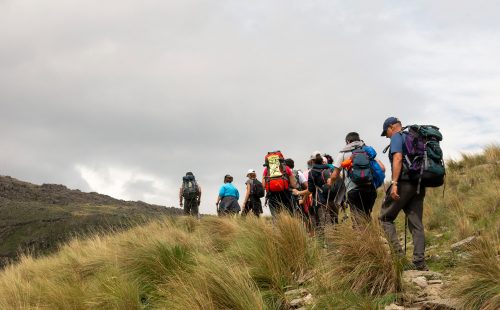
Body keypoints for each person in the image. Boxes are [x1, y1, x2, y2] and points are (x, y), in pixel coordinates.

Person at [379, 117, 428, 271]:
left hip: (404, 182)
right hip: (419, 184)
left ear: (392, 127)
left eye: (386, 132)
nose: (387, 136)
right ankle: (419, 262)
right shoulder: (415, 138)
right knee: (416, 224)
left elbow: (398, 158)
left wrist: (394, 183)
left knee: (385, 218)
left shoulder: (397, 137)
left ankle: (400, 259)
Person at [327, 132, 385, 225]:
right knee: (367, 215)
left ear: (348, 141)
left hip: (353, 189)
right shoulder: (367, 150)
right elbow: (382, 168)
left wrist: (330, 181)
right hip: (370, 188)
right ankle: (371, 237)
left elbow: (334, 175)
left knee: (357, 217)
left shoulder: (343, 153)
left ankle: (362, 238)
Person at [293, 151, 338, 236]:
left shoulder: (312, 172)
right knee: (333, 222)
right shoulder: (329, 168)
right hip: (333, 198)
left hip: (320, 200)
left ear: (312, 161)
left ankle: (327, 246)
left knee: (323, 223)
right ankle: (335, 244)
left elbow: (310, 190)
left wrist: (298, 192)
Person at [262, 153, 298, 217]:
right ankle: (291, 225)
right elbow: (294, 184)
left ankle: (277, 225)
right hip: (285, 195)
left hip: (272, 195)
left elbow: (263, 185)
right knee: (290, 215)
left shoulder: (266, 170)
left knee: (275, 216)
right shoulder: (286, 168)